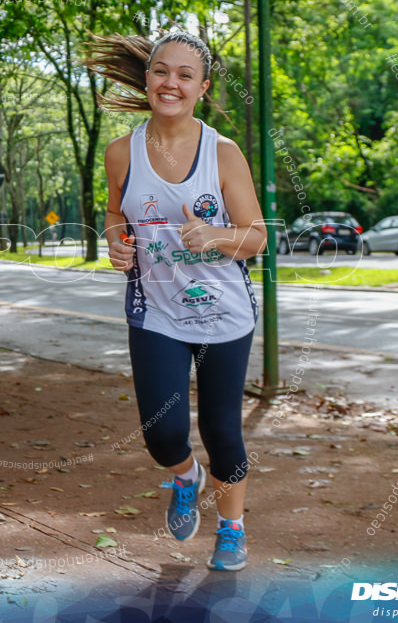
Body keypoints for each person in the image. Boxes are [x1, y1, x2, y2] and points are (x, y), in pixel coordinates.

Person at [85, 30, 266, 571]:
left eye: (185, 75)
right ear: (147, 78)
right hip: (157, 310)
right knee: (163, 433)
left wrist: (215, 237)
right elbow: (116, 214)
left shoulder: (223, 154)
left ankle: (232, 528)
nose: (171, 83)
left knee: (222, 433)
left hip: (224, 314)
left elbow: (256, 237)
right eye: (162, 71)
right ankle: (185, 477)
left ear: (202, 88)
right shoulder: (122, 152)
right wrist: (116, 238)